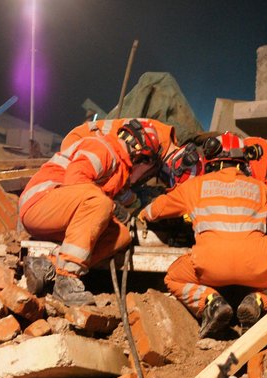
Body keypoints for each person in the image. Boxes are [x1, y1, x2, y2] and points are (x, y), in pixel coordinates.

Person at [138, 132, 267, 338]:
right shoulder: (261, 188)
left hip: (209, 266)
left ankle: (211, 302)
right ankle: (259, 301)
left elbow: (157, 210)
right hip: (258, 266)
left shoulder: (195, 186)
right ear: (243, 162)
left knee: (173, 277)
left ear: (211, 160)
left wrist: (142, 213)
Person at [19, 119, 161, 306]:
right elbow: (75, 180)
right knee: (100, 203)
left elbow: (127, 198)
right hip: (39, 203)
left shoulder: (119, 168)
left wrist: (146, 205)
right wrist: (113, 207)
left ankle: (47, 266)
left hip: (59, 211)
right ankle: (66, 279)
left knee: (120, 235)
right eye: (148, 164)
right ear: (139, 154)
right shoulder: (102, 148)